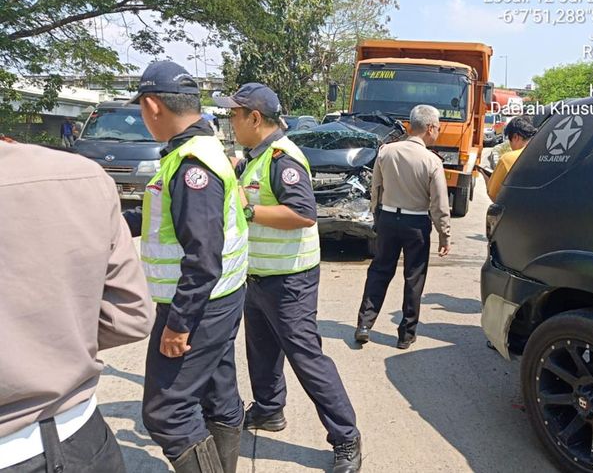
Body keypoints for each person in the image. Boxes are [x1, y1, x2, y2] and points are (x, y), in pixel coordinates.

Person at [214, 83, 362, 473]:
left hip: (290, 281)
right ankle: (268, 410)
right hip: (260, 276)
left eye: (234, 115)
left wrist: (247, 210)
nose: (231, 122)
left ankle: (346, 437)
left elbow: (303, 214)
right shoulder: (255, 157)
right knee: (260, 352)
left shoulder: (283, 158)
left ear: (255, 118)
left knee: (306, 358)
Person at [124, 61, 249, 473]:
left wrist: (179, 323)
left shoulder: (192, 164)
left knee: (167, 412)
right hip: (220, 298)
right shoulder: (200, 150)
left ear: (152, 105)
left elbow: (203, 255)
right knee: (217, 394)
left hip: (197, 305)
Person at [0, 142, 154, 472]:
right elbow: (130, 316)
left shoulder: (194, 161)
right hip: (81, 438)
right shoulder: (81, 175)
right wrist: (61, 336)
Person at [355, 104, 451, 349]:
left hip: (388, 218)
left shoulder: (386, 151)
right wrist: (444, 234)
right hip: (416, 223)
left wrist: (378, 216)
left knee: (379, 271)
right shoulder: (432, 161)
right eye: (438, 128)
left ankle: (364, 324)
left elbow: (376, 188)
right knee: (413, 277)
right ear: (429, 128)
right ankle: (406, 334)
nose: (437, 132)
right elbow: (439, 203)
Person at [484, 116, 536, 201]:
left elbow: (494, 196)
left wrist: (487, 180)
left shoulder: (507, 159)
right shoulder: (545, 156)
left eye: (509, 139)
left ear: (516, 137)